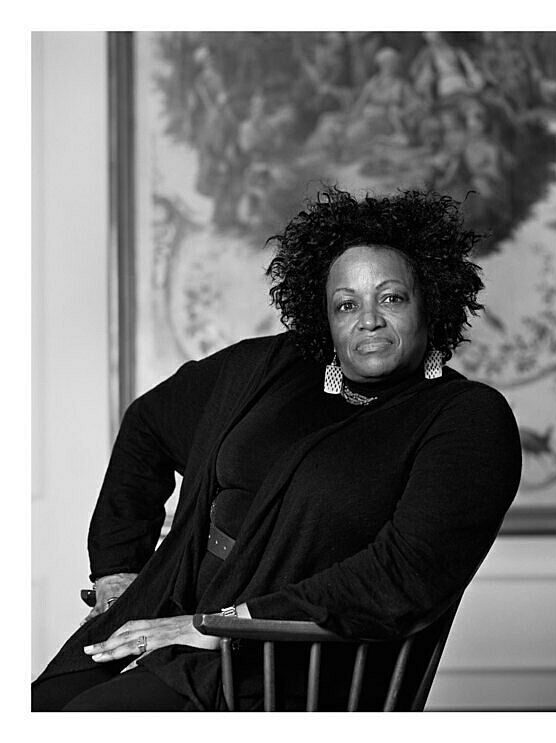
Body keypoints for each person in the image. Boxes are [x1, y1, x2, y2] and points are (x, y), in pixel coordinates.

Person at [32, 187, 522, 711]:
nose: (369, 319)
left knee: (82, 722)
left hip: (293, 659)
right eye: (346, 303)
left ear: (431, 303)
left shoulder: (467, 417)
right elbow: (148, 426)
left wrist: (226, 626)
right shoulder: (270, 369)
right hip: (173, 611)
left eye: (391, 297)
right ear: (325, 317)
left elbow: (404, 574)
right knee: (42, 707)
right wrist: (116, 571)